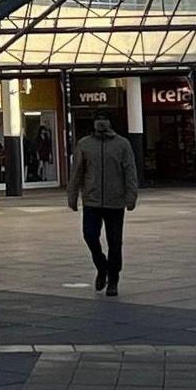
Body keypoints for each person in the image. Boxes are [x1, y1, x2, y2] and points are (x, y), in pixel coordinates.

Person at [65, 114, 140, 295]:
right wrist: (72, 195)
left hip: (115, 201)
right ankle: (102, 265)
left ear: (110, 123)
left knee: (115, 242)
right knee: (90, 235)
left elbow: (130, 171)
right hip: (92, 200)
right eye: (98, 120)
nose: (101, 124)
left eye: (104, 120)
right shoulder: (84, 144)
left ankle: (113, 278)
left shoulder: (122, 144)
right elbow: (77, 172)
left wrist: (131, 196)